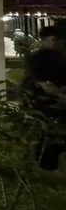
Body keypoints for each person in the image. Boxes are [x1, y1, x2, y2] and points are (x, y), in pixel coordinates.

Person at [24, 25, 66, 170]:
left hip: (56, 98)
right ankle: (46, 164)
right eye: (55, 40)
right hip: (44, 101)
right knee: (50, 133)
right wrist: (60, 96)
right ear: (43, 41)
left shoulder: (60, 56)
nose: (58, 43)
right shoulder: (37, 58)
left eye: (60, 40)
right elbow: (42, 83)